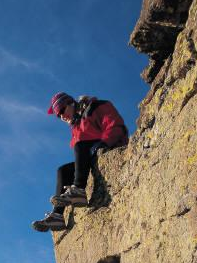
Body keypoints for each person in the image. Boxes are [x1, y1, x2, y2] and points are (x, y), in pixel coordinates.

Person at [32, 92, 129, 232]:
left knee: (79, 145)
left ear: (71, 103)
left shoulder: (97, 107)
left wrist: (105, 142)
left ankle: (78, 189)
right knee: (63, 171)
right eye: (58, 116)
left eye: (61, 110)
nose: (61, 116)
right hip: (91, 154)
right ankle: (57, 215)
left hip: (111, 145)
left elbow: (116, 126)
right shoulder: (76, 126)